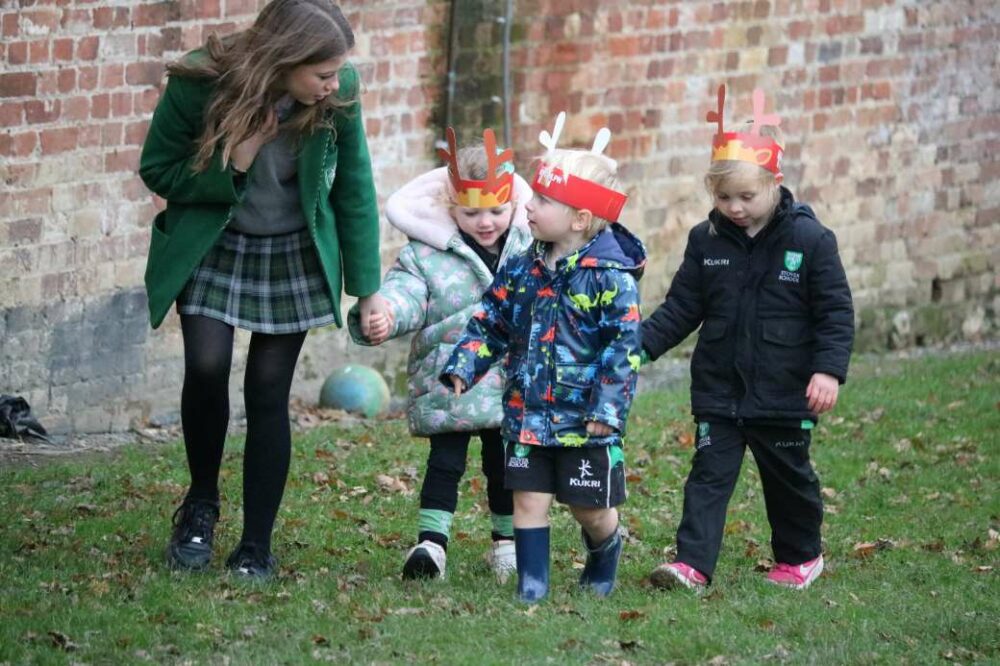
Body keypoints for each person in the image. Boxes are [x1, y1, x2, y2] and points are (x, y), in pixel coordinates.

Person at [138, 0, 383, 579]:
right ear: (284, 59)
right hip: (216, 242)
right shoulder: (201, 82)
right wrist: (234, 161)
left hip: (293, 250)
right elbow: (157, 169)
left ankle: (256, 544)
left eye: (335, 73)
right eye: (321, 74)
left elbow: (355, 186)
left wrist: (367, 288)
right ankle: (200, 505)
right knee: (205, 364)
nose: (333, 85)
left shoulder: (336, 91)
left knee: (268, 391)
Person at [642, 85, 854, 591]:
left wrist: (827, 369)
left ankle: (801, 556)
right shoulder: (705, 241)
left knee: (788, 479)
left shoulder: (810, 241)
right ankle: (692, 565)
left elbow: (835, 312)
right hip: (719, 387)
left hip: (784, 390)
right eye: (722, 197)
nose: (733, 208)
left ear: (774, 183)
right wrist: (637, 346)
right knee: (708, 478)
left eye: (746, 196)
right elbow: (681, 308)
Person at [442, 113, 646, 602]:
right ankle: (532, 584)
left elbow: (624, 349)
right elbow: (493, 320)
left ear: (579, 218)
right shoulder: (522, 267)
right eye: (532, 196)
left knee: (587, 507)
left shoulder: (609, 277)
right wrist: (465, 364)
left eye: (543, 200)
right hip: (528, 412)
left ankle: (606, 546)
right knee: (528, 499)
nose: (528, 206)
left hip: (585, 416)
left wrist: (608, 410)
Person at [348, 128, 534, 582]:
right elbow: (408, 292)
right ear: (451, 208)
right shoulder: (426, 254)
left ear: (513, 204)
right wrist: (387, 314)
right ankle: (432, 544)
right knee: (445, 463)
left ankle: (505, 543)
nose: (486, 221)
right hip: (450, 379)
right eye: (472, 212)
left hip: (511, 381)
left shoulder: (530, 248)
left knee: (504, 464)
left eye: (496, 210)